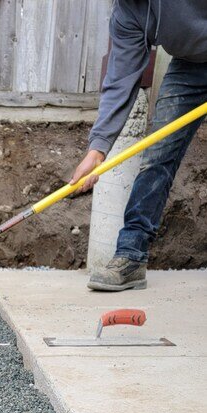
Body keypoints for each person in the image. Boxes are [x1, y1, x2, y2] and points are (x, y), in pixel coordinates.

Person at [69, 0, 207, 291]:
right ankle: (131, 256)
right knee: (158, 154)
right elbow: (119, 80)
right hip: (190, 68)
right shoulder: (127, 13)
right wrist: (97, 150)